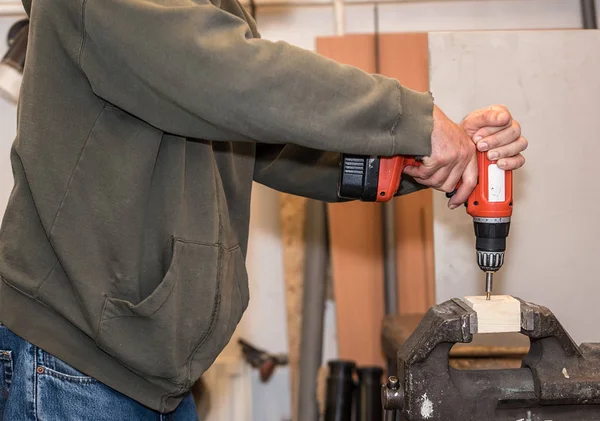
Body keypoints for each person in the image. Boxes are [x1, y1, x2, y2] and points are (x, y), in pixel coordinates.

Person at [0, 0, 527, 419]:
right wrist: (408, 119)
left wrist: (409, 157)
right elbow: (226, 71)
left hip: (149, 375)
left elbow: (265, 140)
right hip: (73, 367)